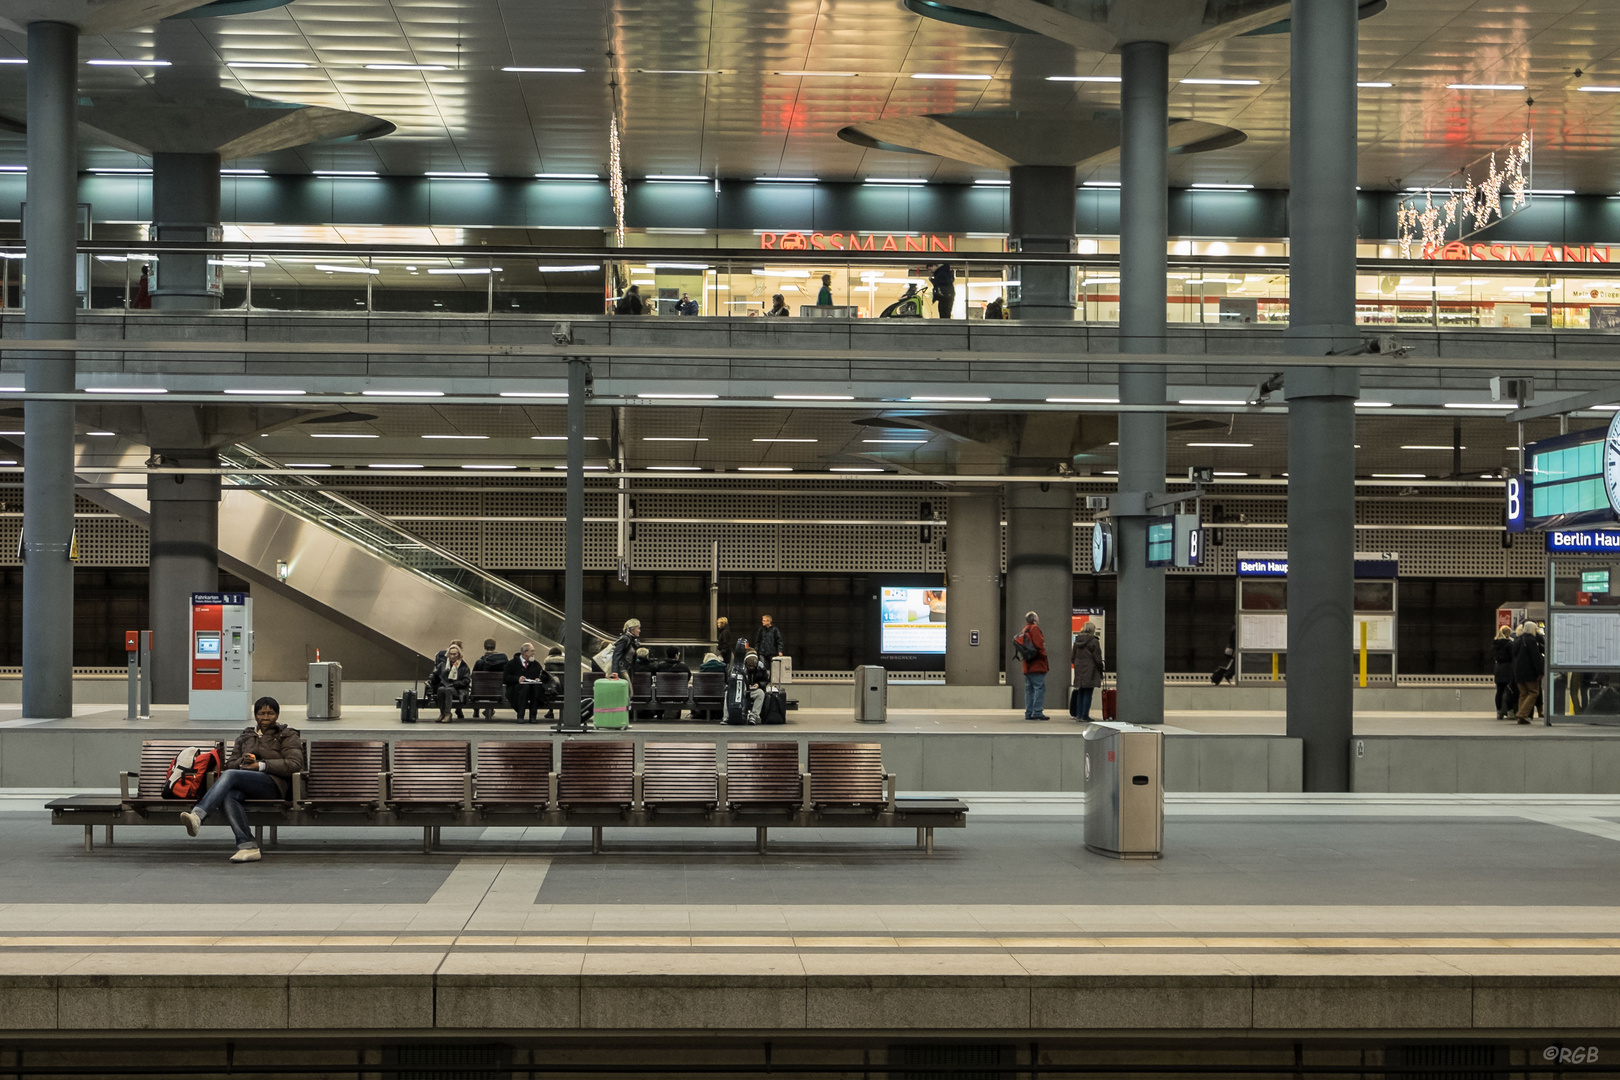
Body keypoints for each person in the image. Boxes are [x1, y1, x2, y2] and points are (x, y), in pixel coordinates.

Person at [178, 696, 303, 863]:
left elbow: (294, 764)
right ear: (255, 715)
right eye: (261, 713)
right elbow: (230, 764)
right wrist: (243, 762)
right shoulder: (246, 736)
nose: (265, 717)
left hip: (273, 784)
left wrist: (260, 765)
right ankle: (248, 846)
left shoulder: (287, 735)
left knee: (230, 776)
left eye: (270, 713)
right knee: (230, 795)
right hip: (246, 782)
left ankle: (198, 815)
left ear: (277, 715)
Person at [1014, 611, 1050, 721]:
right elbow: (1039, 645)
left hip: (1027, 665)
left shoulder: (1025, 629)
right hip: (1037, 664)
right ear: (1034, 619)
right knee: (1039, 688)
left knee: (1029, 690)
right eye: (1037, 617)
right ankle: (1037, 711)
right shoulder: (1034, 628)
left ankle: (1029, 712)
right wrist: (1044, 657)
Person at [503, 641, 549, 724]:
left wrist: (538, 679)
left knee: (537, 688)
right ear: (525, 652)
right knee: (525, 688)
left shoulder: (536, 664)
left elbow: (541, 676)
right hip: (516, 689)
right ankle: (520, 716)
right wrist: (517, 679)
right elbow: (506, 678)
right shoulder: (512, 664)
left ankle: (533, 716)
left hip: (533, 689)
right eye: (531, 651)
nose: (533, 654)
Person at [428, 643, 471, 723]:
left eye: (454, 654)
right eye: (450, 654)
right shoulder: (443, 665)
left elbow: (466, 681)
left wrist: (455, 684)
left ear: (459, 655)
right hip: (445, 686)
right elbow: (436, 677)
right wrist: (433, 678)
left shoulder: (464, 666)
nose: (452, 656)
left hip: (458, 689)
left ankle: (448, 714)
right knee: (440, 690)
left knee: (448, 690)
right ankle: (442, 713)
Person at [1071, 623, 1104, 723]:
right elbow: (1097, 658)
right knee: (1088, 692)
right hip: (1091, 669)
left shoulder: (1077, 641)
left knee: (1080, 691)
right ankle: (1085, 715)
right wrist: (1101, 670)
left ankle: (1079, 715)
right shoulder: (1094, 641)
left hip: (1079, 669)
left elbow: (1073, 657)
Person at [1512, 621, 1543, 724]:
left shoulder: (1518, 640)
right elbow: (1536, 657)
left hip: (1518, 672)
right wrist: (1540, 671)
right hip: (1529, 672)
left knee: (1523, 693)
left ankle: (1521, 717)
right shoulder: (1531, 640)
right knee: (1534, 692)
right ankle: (1522, 714)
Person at [473, 638, 510, 720]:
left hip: (481, 692)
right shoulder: (503, 660)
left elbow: (474, 676)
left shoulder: (480, 662)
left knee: (478, 685)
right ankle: (491, 708)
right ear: (495, 647)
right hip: (499, 692)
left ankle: (476, 710)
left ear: (484, 647)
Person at [654, 646, 691, 719]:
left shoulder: (660, 666)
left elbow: (655, 677)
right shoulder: (683, 666)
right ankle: (677, 716)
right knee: (678, 692)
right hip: (679, 695)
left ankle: (659, 715)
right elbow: (688, 678)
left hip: (662, 694)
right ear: (676, 655)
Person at [1492, 625, 1518, 720]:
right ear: (1508, 633)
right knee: (1510, 691)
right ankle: (1510, 711)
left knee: (1499, 691)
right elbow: (1513, 657)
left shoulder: (1495, 644)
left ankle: (1499, 711)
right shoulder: (1509, 644)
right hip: (1507, 669)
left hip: (1498, 668)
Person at [741, 651, 771, 722]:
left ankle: (753, 715)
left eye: (753, 666)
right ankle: (742, 714)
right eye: (749, 666)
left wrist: (759, 684)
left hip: (755, 690)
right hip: (743, 690)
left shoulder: (761, 669)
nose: (751, 668)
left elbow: (766, 680)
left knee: (760, 693)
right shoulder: (742, 669)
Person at [542, 645, 568, 719]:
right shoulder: (566, 663)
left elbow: (546, 677)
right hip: (565, 691)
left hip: (552, 692)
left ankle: (550, 711)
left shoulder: (548, 663)